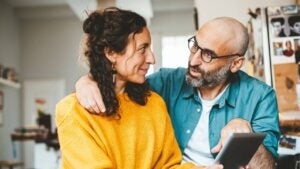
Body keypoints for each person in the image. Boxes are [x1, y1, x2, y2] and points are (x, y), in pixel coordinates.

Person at [75, 17, 280, 168]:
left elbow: (268, 166)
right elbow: (120, 84)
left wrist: (248, 138)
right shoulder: (166, 82)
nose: (193, 60)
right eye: (195, 46)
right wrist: (86, 80)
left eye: (207, 54)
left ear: (235, 64)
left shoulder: (261, 96)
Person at [56, 7, 222, 169]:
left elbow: (168, 165)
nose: (152, 58)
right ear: (111, 53)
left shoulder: (154, 103)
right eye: (142, 49)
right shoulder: (73, 111)